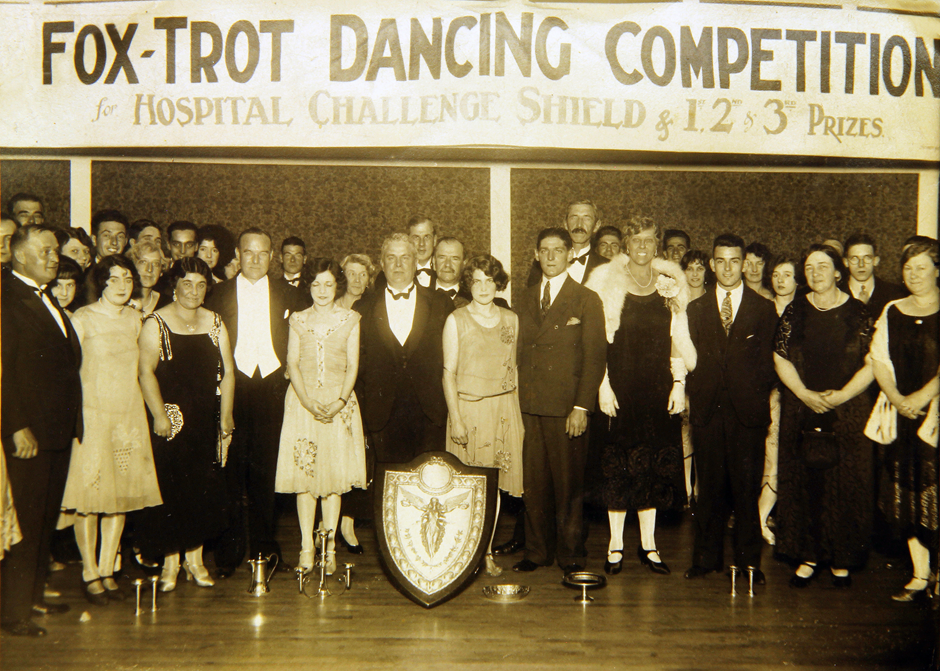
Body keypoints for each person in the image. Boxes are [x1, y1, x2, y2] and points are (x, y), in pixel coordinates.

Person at [586, 217, 696, 576]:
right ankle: (615, 544)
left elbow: (677, 338)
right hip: (618, 389)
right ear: (625, 246)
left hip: (655, 389)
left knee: (650, 467)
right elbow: (595, 341)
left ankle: (649, 546)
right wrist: (602, 385)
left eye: (650, 240)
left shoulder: (671, 283)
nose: (643, 247)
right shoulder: (605, 281)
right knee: (617, 467)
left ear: (657, 245)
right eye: (636, 240)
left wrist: (678, 384)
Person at [59, 256, 162, 605]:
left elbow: (146, 368)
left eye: (127, 279)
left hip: (128, 417)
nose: (122, 285)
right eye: (114, 279)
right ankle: (90, 573)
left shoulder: (137, 320)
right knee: (90, 499)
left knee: (120, 499)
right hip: (93, 416)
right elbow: (67, 372)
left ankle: (107, 570)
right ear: (100, 282)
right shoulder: (82, 318)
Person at [204, 228, 305, 576]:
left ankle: (265, 550)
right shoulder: (216, 295)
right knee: (230, 472)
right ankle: (229, 552)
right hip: (233, 388)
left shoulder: (290, 294)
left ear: (272, 256)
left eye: (263, 253)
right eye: (249, 252)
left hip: (272, 389)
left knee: (267, 473)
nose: (256, 259)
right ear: (237, 253)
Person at [774, 244, 874, 588]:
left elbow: (874, 361)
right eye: (809, 267)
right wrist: (803, 394)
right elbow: (780, 357)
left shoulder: (859, 313)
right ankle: (808, 555)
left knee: (844, 485)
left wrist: (843, 396)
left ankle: (841, 558)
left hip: (848, 411)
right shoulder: (795, 311)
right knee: (806, 483)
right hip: (803, 408)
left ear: (837, 272)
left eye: (823, 266)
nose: (815, 273)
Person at [1, 225, 83, 637]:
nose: (55, 257)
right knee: (26, 522)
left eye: (55, 250)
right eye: (46, 251)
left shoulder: (44, 296)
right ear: (19, 256)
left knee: (44, 519)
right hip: (28, 433)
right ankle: (12, 612)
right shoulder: (6, 298)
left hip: (55, 431)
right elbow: (4, 374)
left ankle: (31, 598)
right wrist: (15, 427)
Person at [136, 257, 235, 591]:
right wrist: (159, 415)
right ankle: (170, 564)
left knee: (202, 492)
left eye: (201, 284)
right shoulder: (156, 323)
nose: (194, 291)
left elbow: (229, 372)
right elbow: (145, 371)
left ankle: (195, 561)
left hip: (206, 418)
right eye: (187, 283)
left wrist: (226, 416)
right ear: (174, 286)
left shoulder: (215, 322)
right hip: (173, 420)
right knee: (172, 490)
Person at [684, 234, 778, 584]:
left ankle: (747, 561)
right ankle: (705, 559)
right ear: (712, 264)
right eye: (720, 261)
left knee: (745, 489)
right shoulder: (696, 309)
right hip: (708, 411)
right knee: (709, 489)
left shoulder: (762, 308)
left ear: (744, 263)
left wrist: (748, 393)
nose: (727, 268)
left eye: (734, 261)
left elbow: (770, 365)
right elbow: (687, 359)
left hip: (747, 414)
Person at [513, 227, 606, 575]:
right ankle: (537, 552)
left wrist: (582, 407)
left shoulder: (586, 298)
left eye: (557, 250)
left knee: (569, 485)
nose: (550, 256)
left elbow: (595, 357)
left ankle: (571, 554)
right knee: (533, 483)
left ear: (570, 254)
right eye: (544, 250)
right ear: (536, 255)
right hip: (529, 404)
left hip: (566, 407)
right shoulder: (524, 297)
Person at [275, 258, 367, 576]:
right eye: (316, 284)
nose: (322, 290)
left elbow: (353, 365)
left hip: (340, 406)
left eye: (328, 284)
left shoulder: (351, 318)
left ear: (336, 285)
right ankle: (306, 547)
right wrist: (308, 401)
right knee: (305, 479)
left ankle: (329, 549)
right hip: (303, 405)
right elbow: (292, 363)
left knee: (333, 481)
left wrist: (340, 400)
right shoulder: (298, 320)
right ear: (308, 287)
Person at [443, 254, 524, 577]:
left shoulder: (511, 319)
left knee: (494, 487)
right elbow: (448, 373)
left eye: (489, 280)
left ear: (498, 283)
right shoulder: (456, 319)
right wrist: (457, 418)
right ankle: (461, 555)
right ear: (468, 285)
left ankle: (486, 552)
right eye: (476, 280)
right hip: (469, 411)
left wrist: (515, 420)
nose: (483, 287)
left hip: (503, 411)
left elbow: (514, 369)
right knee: (465, 488)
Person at [869, 239, 939, 602]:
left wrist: (922, 398)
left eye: (922, 267)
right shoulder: (892, 310)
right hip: (902, 414)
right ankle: (919, 573)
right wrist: (898, 398)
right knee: (907, 496)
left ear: (937, 270)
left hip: (934, 413)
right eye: (908, 268)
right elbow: (878, 359)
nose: (913, 274)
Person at [355, 233, 455, 464]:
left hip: (430, 413)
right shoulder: (364, 306)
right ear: (382, 263)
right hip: (382, 415)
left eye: (405, 258)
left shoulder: (440, 303)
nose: (398, 264)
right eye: (391, 258)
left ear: (416, 262)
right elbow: (358, 363)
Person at [334, 252, 378, 552]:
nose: (358, 280)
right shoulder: (329, 304)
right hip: (334, 389)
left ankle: (347, 525)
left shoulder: (374, 307)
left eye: (363, 274)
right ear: (343, 276)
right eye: (352, 273)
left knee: (358, 457)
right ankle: (327, 524)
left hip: (364, 387)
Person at [758, 256, 803, 545]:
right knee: (768, 457)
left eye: (787, 275)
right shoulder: (761, 309)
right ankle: (760, 518)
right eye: (775, 274)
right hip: (765, 394)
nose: (780, 280)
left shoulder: (805, 311)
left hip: (796, 395)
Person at [527, 200, 609, 286]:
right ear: (565, 224)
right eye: (574, 217)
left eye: (586, 218)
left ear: (596, 226)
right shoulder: (546, 261)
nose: (579, 224)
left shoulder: (607, 267)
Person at [843, 232, 907, 328]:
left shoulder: (895, 294)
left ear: (875, 261)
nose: (861, 264)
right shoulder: (835, 293)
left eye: (867, 258)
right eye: (854, 258)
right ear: (846, 262)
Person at [126, 240, 169, 316]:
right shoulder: (120, 300)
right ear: (132, 266)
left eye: (156, 264)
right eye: (143, 262)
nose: (149, 269)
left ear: (161, 271)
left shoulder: (167, 305)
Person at [409, 216, 438, 287]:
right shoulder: (393, 273)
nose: (421, 244)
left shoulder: (445, 270)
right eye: (416, 237)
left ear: (434, 240)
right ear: (408, 240)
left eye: (427, 237)